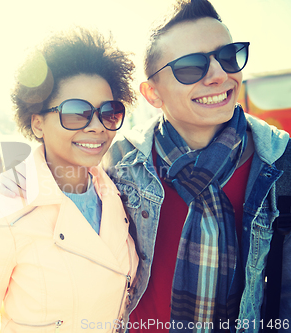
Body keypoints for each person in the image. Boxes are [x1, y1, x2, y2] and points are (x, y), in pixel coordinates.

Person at [101, 0, 290, 332]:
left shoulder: (280, 162)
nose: (220, 75)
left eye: (229, 57)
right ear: (152, 93)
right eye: (191, 67)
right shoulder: (120, 162)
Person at [0, 28, 139, 333]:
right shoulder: (3, 210)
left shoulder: (118, 194)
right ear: (37, 122)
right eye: (77, 112)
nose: (97, 126)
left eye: (109, 112)